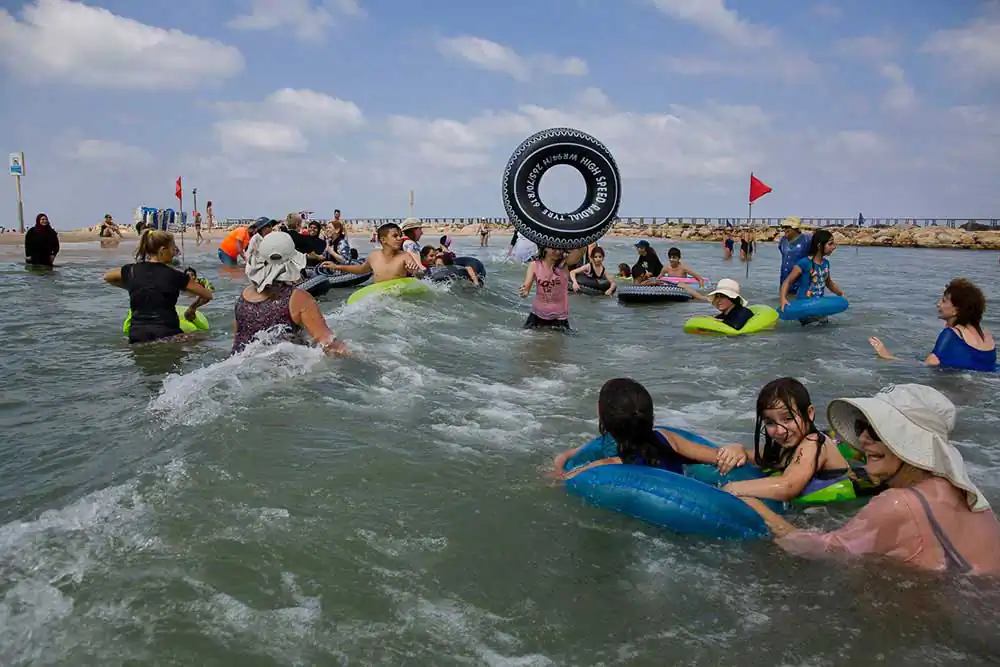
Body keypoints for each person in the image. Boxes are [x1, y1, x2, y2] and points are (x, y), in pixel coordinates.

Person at [738, 384, 1000, 575]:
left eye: (875, 431)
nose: (863, 439)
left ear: (910, 442)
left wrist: (753, 505)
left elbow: (818, 550)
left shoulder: (898, 504)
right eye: (861, 427)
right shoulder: (959, 488)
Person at [553, 378, 727, 478]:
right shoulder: (667, 438)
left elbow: (564, 480)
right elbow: (718, 457)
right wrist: (736, 450)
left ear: (605, 421)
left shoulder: (608, 465)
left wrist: (557, 467)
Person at [714, 377, 853, 501]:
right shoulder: (784, 448)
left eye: (788, 418)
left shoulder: (814, 442)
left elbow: (788, 486)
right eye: (770, 423)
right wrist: (739, 449)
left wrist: (729, 489)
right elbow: (752, 456)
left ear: (809, 413)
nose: (780, 431)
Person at [233, 231, 348, 356]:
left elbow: (238, 341)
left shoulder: (243, 296)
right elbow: (328, 343)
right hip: (283, 365)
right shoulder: (298, 298)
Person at [103, 230, 213, 344]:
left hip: (137, 335)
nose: (175, 252)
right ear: (162, 250)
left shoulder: (131, 270)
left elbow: (107, 277)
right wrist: (192, 308)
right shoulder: (175, 275)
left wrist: (133, 286)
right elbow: (207, 295)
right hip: (167, 334)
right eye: (173, 248)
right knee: (205, 337)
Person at [869, 278, 996, 372]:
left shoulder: (951, 335)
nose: (938, 304)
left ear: (956, 310)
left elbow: (927, 366)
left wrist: (887, 356)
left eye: (944, 301)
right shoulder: (987, 336)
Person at [320, 222, 422, 283]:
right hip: (379, 296)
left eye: (400, 235)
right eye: (395, 236)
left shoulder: (404, 256)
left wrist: (415, 271)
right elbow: (361, 269)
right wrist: (337, 267)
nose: (399, 239)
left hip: (398, 295)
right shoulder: (373, 256)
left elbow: (419, 274)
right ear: (383, 240)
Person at [779, 229, 847, 313]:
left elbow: (829, 283)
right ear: (819, 246)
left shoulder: (826, 264)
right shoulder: (804, 263)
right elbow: (787, 282)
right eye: (830, 244)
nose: (834, 247)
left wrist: (841, 294)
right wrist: (783, 299)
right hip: (804, 307)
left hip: (818, 306)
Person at [519, 247, 570, 329]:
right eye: (554, 248)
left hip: (559, 317)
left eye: (560, 249)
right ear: (545, 248)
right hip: (537, 314)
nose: (558, 252)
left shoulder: (565, 265)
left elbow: (581, 251)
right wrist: (524, 292)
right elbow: (526, 287)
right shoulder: (534, 265)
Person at [677, 278, 754, 332]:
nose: (717, 300)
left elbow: (736, 326)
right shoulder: (724, 316)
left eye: (722, 297)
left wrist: (715, 320)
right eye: (717, 297)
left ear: (732, 298)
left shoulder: (743, 312)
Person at [778, 217, 812, 296]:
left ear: (795, 228)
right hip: (784, 281)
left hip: (801, 283)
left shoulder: (807, 240)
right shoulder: (783, 241)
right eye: (783, 227)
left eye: (787, 227)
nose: (784, 229)